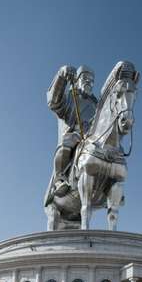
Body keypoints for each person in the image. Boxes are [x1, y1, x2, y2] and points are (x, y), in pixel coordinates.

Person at [46, 65, 98, 200]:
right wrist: (61, 76)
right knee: (68, 141)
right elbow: (54, 102)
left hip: (92, 139)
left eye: (91, 80)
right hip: (74, 134)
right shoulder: (71, 96)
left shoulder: (96, 103)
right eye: (85, 78)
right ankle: (59, 179)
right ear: (78, 79)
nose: (88, 82)